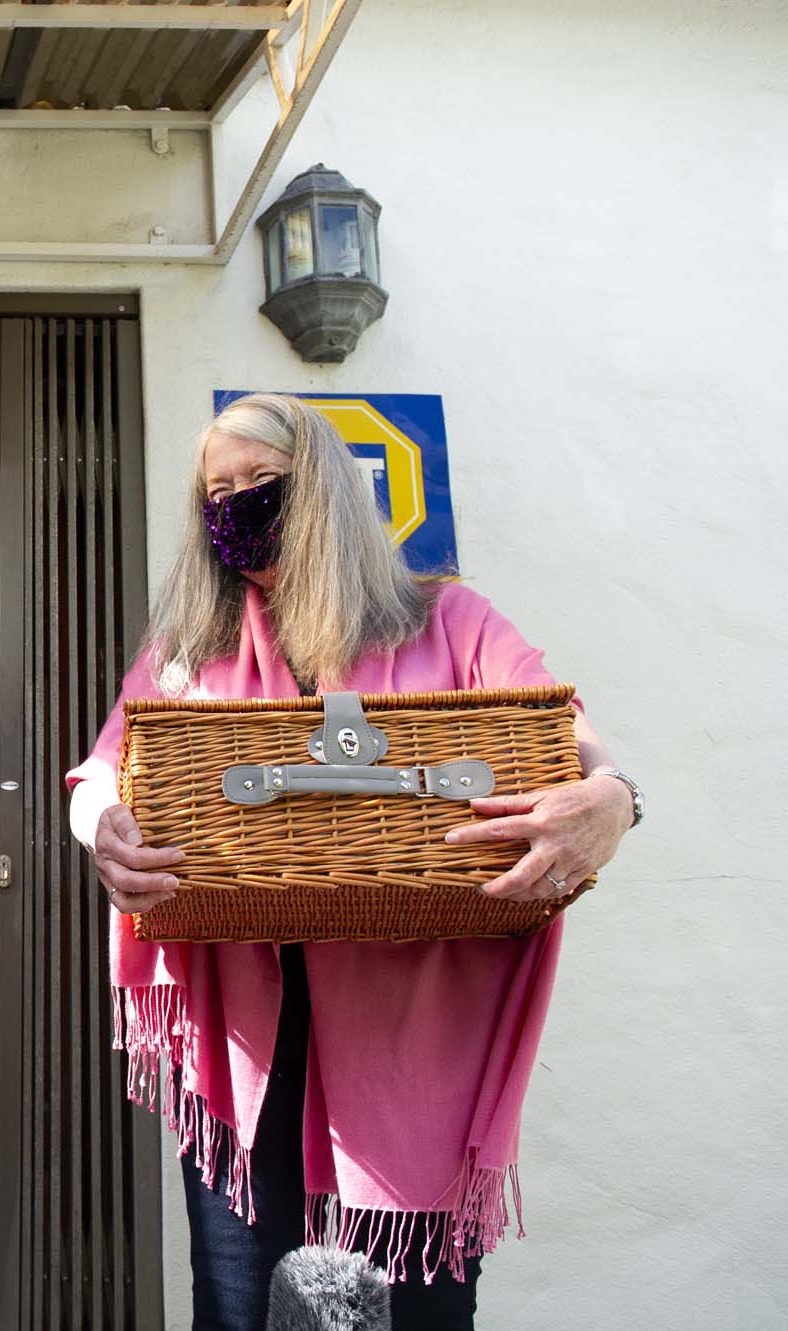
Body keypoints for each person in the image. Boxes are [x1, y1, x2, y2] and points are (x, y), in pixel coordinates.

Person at [66, 393, 640, 1331]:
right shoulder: (192, 650)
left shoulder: (445, 619)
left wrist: (616, 798)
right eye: (219, 489)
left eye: (262, 480)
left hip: (410, 1039)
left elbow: (564, 734)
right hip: (246, 1045)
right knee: (242, 1310)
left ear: (325, 489)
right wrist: (103, 826)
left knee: (413, 1314)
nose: (239, 501)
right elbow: (105, 765)